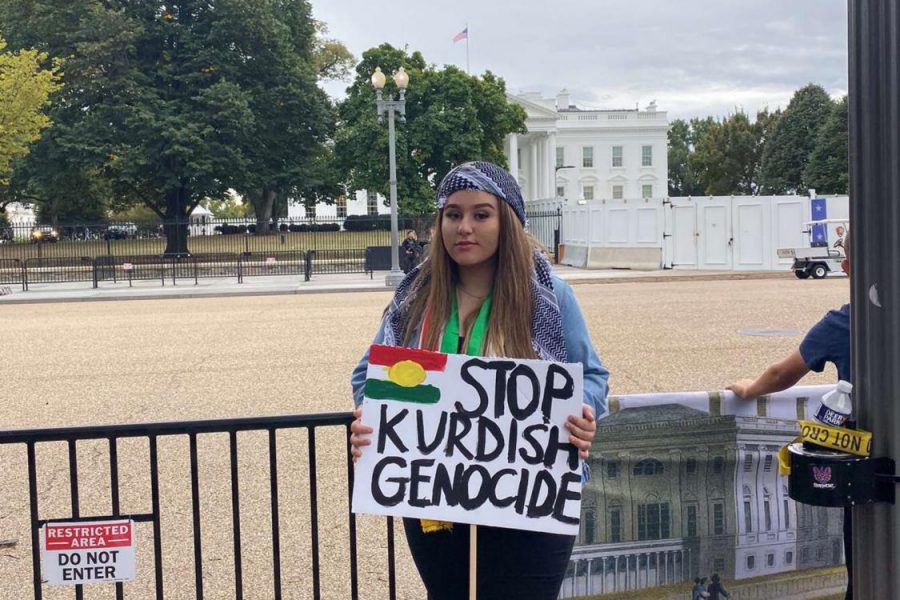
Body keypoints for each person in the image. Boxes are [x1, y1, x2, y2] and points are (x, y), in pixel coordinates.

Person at [350, 161, 609, 600]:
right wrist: (372, 413)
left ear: (506, 221)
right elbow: (367, 372)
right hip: (436, 498)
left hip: (532, 499)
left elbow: (592, 377)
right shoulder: (416, 294)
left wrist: (582, 413)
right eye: (452, 214)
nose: (463, 227)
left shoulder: (547, 295)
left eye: (480, 214)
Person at [728, 233, 852, 600]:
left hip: (868, 464)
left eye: (845, 258)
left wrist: (749, 389)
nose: (842, 264)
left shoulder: (841, 323)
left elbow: (783, 373)